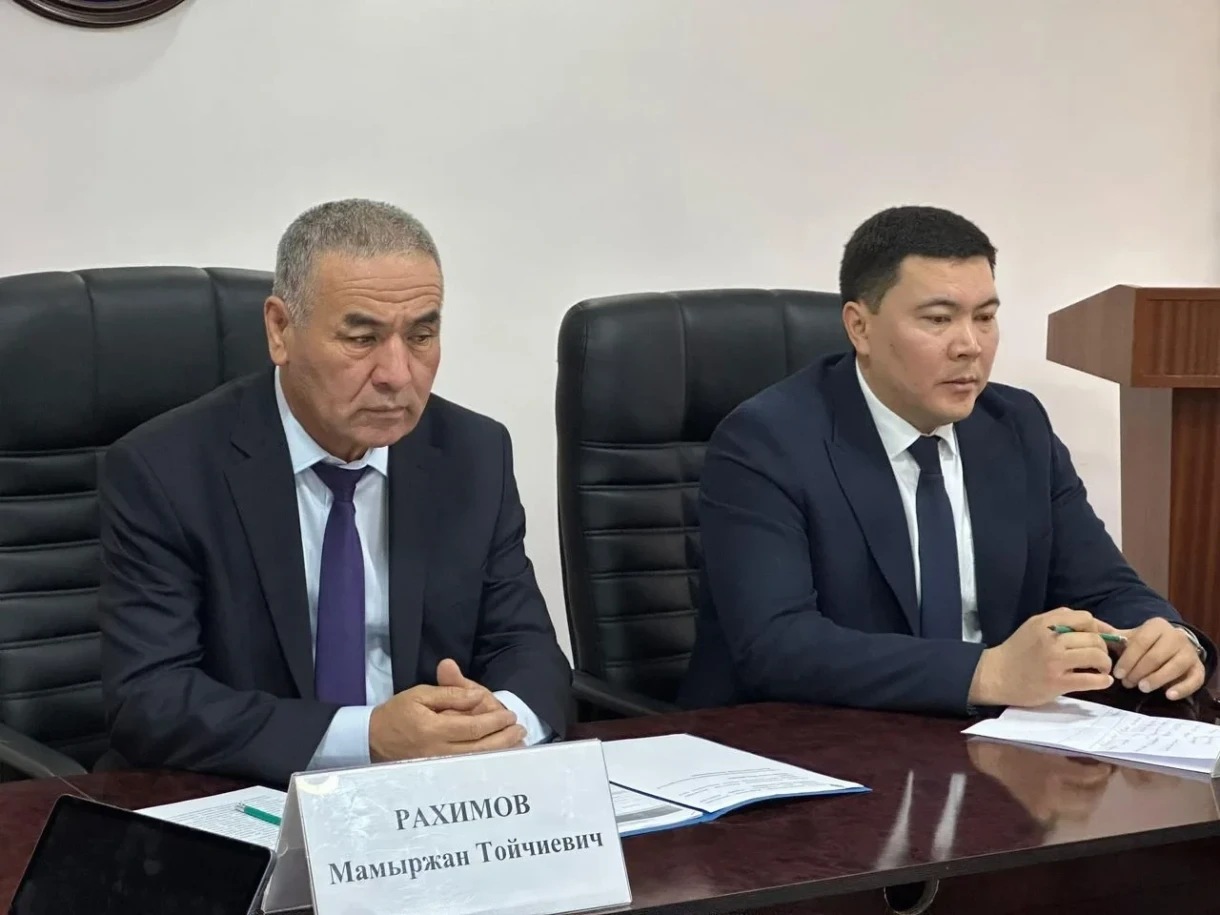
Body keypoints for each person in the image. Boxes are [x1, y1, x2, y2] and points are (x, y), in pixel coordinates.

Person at [99, 199, 571, 785]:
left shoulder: (473, 454)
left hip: (433, 794)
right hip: (245, 794)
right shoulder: (165, 469)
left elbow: (527, 650)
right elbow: (151, 698)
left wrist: (496, 727)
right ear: (280, 330)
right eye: (362, 338)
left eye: (421, 335)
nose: (397, 373)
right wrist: (367, 737)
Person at [680, 205, 1214, 715]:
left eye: (985, 317)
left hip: (994, 745)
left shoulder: (1016, 425)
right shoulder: (766, 441)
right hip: (803, 745)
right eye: (938, 319)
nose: (970, 345)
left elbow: (1103, 587)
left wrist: (1168, 637)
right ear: (859, 327)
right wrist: (985, 672)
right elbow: (776, 645)